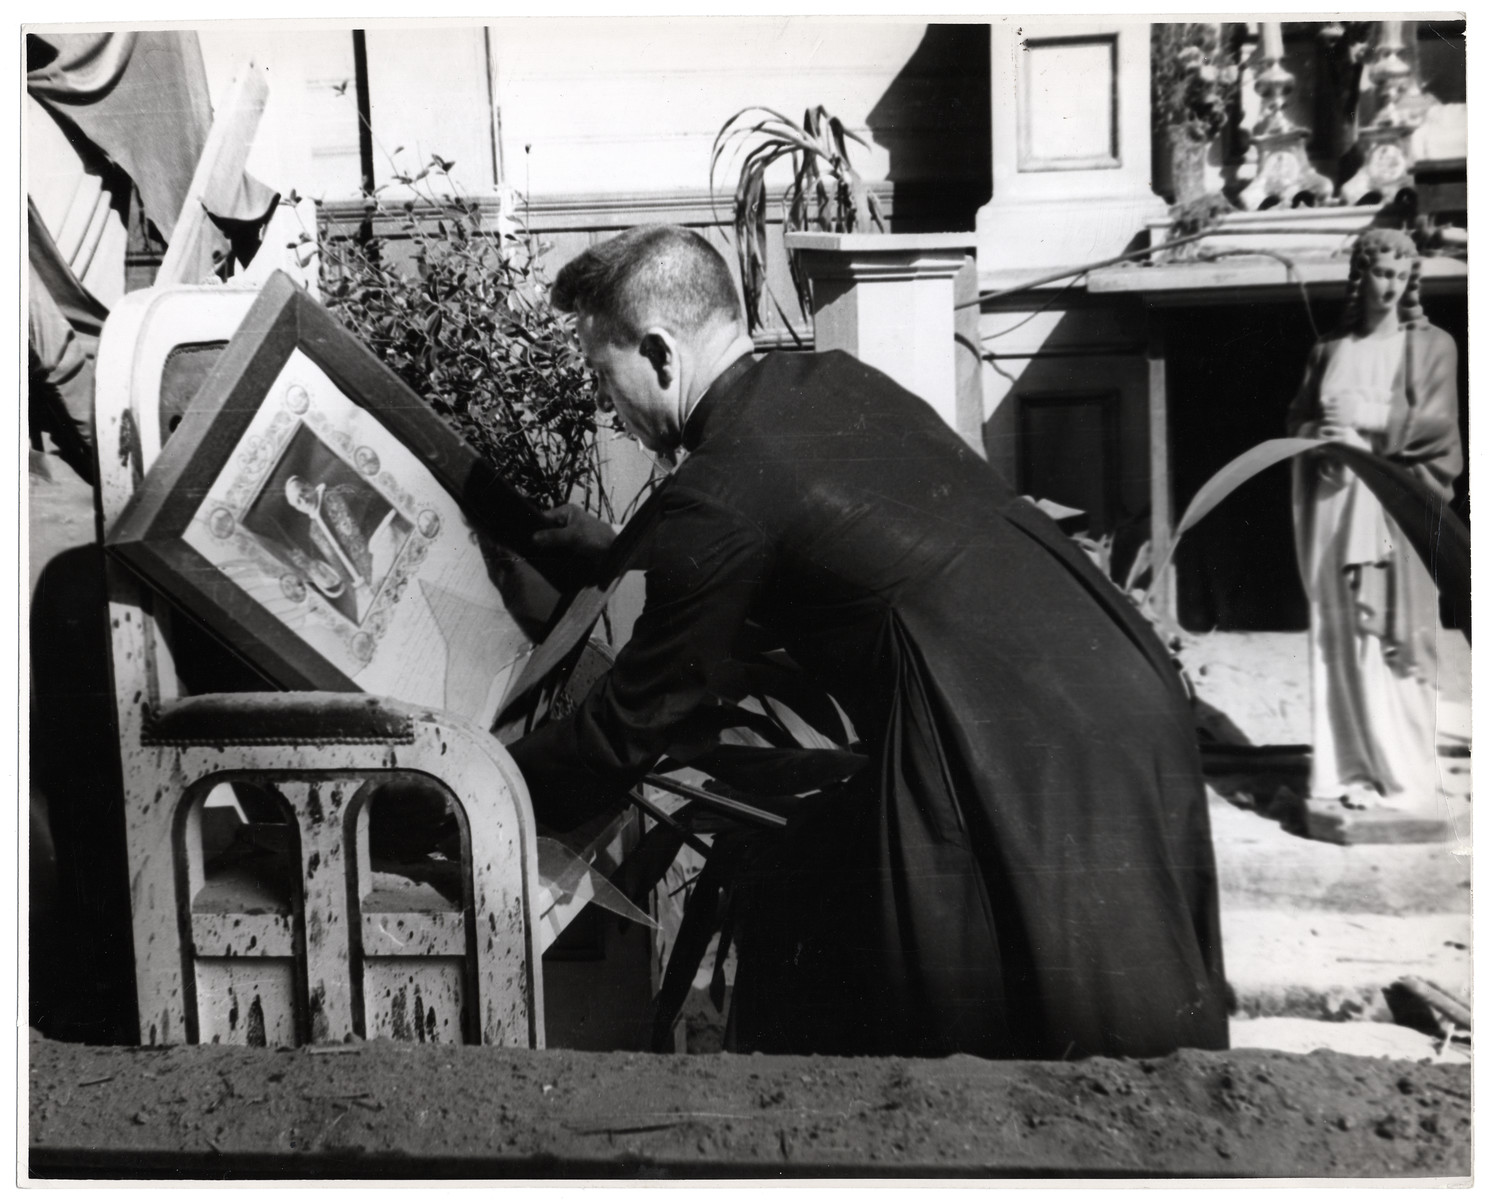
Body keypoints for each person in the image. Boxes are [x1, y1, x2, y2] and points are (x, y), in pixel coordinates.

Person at [509, 224, 1228, 1060]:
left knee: (1060, 1062)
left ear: (662, 354)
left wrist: (475, 784)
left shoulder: (721, 494)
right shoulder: (828, 382)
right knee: (1125, 1020)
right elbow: (828, 538)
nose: (607, 402)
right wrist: (621, 552)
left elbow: (630, 725)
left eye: (605, 373)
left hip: (1017, 742)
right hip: (1110, 679)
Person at [1286, 229, 1462, 820]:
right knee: (1340, 635)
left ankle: (1406, 778)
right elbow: (1299, 424)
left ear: (1412, 281)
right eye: (1380, 273)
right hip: (1334, 508)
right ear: (1360, 276)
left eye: (1400, 276)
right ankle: (1348, 769)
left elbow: (1438, 429)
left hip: (1392, 513)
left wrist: (1364, 419)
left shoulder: (1432, 346)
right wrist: (1319, 441)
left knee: (1393, 640)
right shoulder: (1327, 351)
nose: (1389, 286)